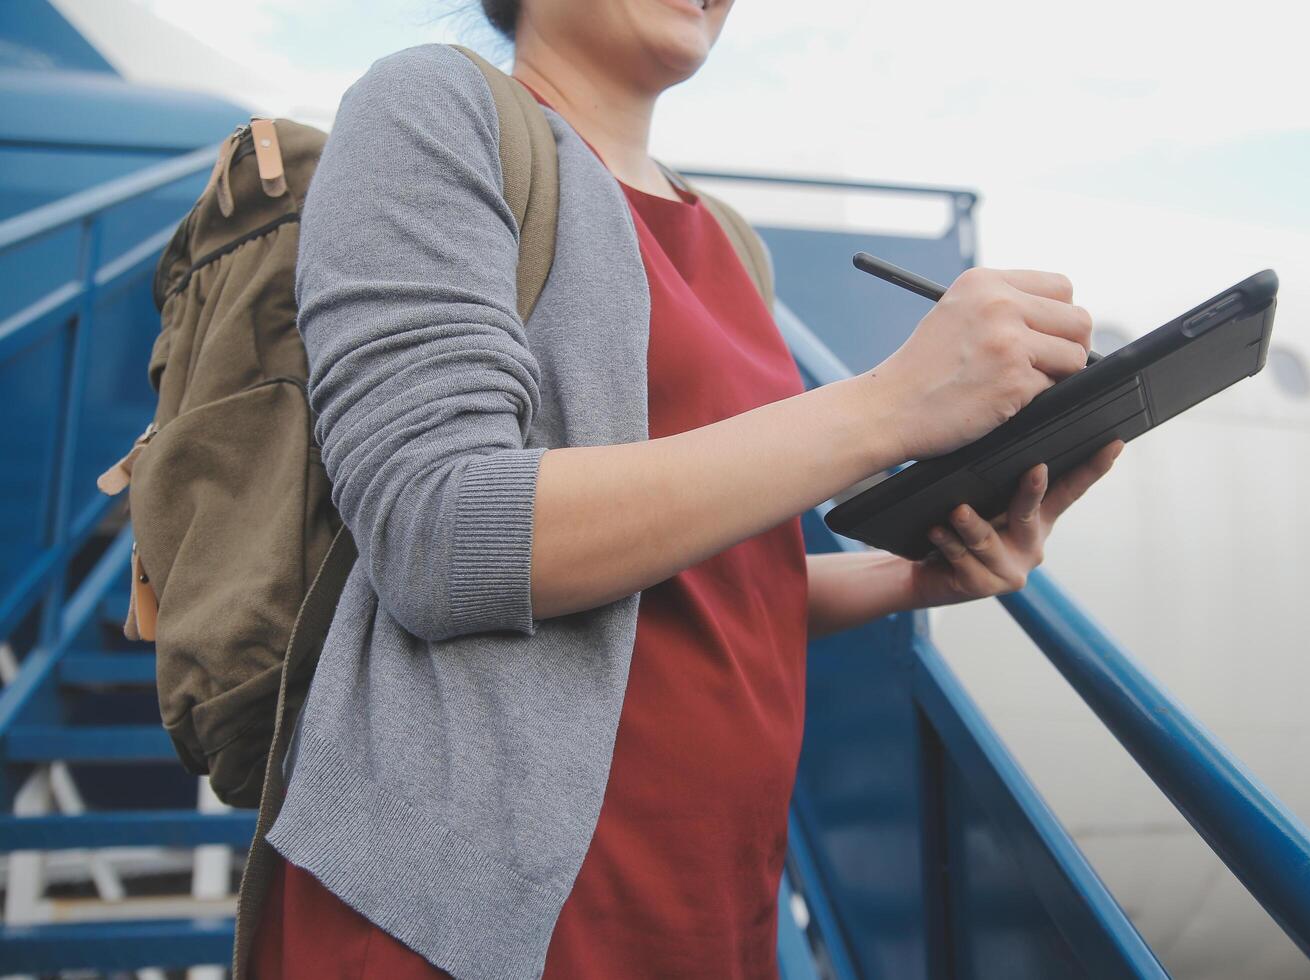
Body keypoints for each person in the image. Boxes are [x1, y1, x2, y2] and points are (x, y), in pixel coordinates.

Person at [247, 0, 1122, 977]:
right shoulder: (428, 106)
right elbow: (439, 533)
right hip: (471, 925)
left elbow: (709, 580)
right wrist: (886, 409)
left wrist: (911, 576)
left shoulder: (734, 244)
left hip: (710, 905)